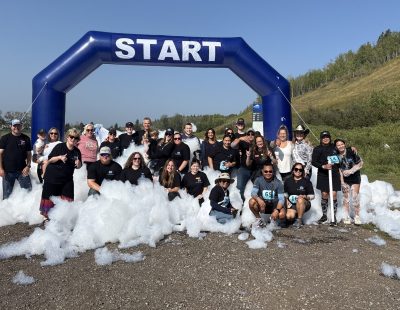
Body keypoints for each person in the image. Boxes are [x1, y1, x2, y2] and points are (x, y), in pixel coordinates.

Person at [39, 128, 82, 221]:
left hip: (67, 179)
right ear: (67, 137)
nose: (73, 139)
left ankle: (63, 219)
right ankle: (47, 219)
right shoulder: (60, 146)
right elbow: (50, 160)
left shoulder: (77, 151)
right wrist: (59, 157)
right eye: (71, 137)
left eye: (75, 138)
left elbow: (79, 165)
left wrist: (79, 164)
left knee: (68, 199)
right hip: (52, 177)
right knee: (50, 198)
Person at [312, 131, 341, 224]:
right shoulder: (317, 149)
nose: (325, 138)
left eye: (327, 137)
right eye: (323, 137)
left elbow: (343, 150)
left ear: (330, 138)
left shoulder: (334, 147)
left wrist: (351, 148)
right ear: (321, 138)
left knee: (333, 194)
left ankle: (333, 216)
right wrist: (323, 166)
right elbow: (314, 162)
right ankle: (324, 215)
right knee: (324, 194)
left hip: (334, 173)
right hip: (322, 174)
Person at [0, 119, 32, 199]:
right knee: (7, 197)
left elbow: (29, 154)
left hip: (22, 171)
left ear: (21, 126)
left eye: (18, 125)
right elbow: (0, 154)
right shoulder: (5, 138)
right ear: (11, 127)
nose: (16, 127)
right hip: (8, 172)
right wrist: (0, 169)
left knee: (28, 194)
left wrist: (28, 166)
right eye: (14, 126)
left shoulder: (26, 138)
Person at [335, 138, 363, 225]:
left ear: (344, 144)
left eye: (341, 144)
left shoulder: (351, 151)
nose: (340, 146)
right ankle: (346, 216)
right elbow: (339, 170)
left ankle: (357, 216)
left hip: (355, 178)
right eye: (338, 145)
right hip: (345, 180)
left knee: (355, 197)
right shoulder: (336, 156)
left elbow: (360, 163)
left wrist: (350, 171)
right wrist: (342, 182)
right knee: (346, 198)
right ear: (336, 147)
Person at [249, 163, 286, 228]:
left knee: (282, 214)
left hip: (274, 205)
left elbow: (281, 199)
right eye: (266, 171)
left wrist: (277, 210)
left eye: (270, 171)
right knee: (251, 202)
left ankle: (275, 221)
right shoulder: (258, 180)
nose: (268, 173)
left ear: (273, 172)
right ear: (262, 171)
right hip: (263, 205)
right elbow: (253, 193)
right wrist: (259, 200)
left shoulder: (278, 183)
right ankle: (259, 220)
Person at [284, 163, 315, 228]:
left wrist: (305, 197)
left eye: (300, 170)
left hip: (304, 202)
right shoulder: (287, 181)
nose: (298, 171)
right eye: (296, 169)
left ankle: (299, 220)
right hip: (291, 203)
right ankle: (293, 217)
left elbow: (312, 196)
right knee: (289, 217)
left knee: (300, 200)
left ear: (302, 171)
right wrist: (286, 200)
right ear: (293, 170)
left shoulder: (306, 181)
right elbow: (285, 193)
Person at [231, 127, 256, 202]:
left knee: (258, 188)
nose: (250, 135)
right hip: (244, 169)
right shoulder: (242, 142)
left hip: (255, 170)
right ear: (246, 135)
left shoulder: (258, 143)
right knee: (239, 188)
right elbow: (232, 145)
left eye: (252, 134)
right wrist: (240, 138)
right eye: (248, 134)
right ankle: (240, 205)